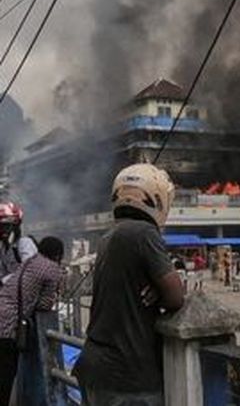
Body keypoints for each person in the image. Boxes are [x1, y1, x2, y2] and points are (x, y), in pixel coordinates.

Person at [73, 164, 185, 405]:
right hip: (128, 375)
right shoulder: (144, 233)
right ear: (157, 198)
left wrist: (156, 288)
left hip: (94, 365)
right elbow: (176, 297)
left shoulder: (108, 237)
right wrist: (163, 290)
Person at [0, 236, 64, 406]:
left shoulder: (29, 262)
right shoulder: (53, 269)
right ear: (58, 255)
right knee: (5, 375)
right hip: (8, 327)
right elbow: (45, 304)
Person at [0, 203, 37, 286]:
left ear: (15, 226)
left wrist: (3, 281)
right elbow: (3, 272)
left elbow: (29, 271)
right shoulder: (4, 248)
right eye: (1, 227)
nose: (3, 230)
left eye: (6, 226)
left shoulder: (24, 243)